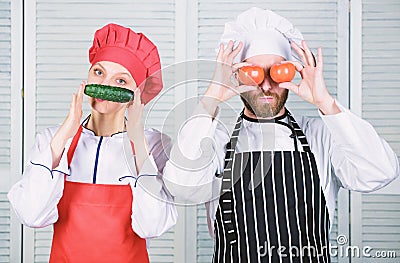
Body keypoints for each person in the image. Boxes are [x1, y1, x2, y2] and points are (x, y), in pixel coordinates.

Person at [162, 7, 400, 262]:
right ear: (237, 76)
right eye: (253, 72)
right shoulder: (217, 139)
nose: (266, 85)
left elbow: (380, 172)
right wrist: (212, 97)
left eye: (277, 72)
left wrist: (326, 102)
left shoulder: (320, 135)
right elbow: (181, 188)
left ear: (290, 72)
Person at [8, 23, 177, 262]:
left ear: (137, 93)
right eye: (99, 72)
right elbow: (31, 215)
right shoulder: (52, 140)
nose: (106, 85)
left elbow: (152, 226)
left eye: (121, 81)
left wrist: (138, 140)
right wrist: (66, 131)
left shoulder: (154, 145)